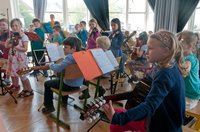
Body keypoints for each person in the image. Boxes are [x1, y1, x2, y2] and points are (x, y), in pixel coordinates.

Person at [103, 30, 187, 132]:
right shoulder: (168, 66)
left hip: (164, 127)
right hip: (167, 123)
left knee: (118, 121)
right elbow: (141, 91)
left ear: (165, 51)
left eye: (150, 48)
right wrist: (107, 98)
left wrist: (118, 118)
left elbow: (150, 106)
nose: (146, 52)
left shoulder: (165, 73)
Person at [31, 36, 84, 113]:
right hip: (79, 84)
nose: (63, 49)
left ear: (74, 48)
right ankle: (64, 101)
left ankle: (49, 107)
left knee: (47, 83)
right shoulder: (82, 55)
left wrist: (50, 65)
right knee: (62, 78)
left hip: (68, 86)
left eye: (65, 47)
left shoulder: (69, 57)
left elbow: (58, 68)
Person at [5, 18, 33, 97]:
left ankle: (30, 90)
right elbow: (7, 46)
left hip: (21, 60)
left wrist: (16, 46)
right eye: (12, 26)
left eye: (16, 25)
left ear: (20, 25)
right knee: (20, 76)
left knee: (23, 76)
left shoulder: (24, 36)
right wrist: (8, 41)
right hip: (13, 59)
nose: (14, 27)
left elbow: (25, 49)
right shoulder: (13, 36)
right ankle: (25, 89)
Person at [179, 30, 200, 110]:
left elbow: (185, 71)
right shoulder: (184, 56)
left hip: (190, 96)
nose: (179, 42)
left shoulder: (190, 58)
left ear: (189, 45)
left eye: (182, 40)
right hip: (187, 92)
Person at [0, 18, 10, 85]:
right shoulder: (1, 33)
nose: (2, 26)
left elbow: (6, 44)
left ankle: (7, 79)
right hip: (1, 51)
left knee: (7, 67)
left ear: (8, 25)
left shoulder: (10, 33)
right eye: (0, 25)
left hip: (7, 52)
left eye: (4, 24)